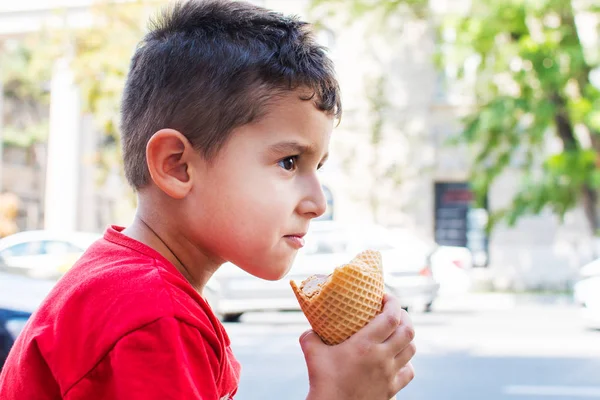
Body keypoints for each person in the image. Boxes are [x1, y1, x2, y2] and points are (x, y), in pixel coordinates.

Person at [0, 1, 416, 399]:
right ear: (178, 166)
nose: (317, 202)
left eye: (318, 167)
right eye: (289, 162)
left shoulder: (130, 287)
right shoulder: (151, 317)